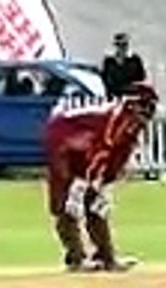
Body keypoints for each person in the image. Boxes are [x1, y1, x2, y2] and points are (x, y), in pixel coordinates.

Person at [43, 80, 158, 272]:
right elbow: (100, 151)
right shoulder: (116, 120)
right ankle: (76, 257)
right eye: (145, 106)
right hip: (63, 141)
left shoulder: (128, 123)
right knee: (68, 202)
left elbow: (115, 157)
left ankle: (106, 256)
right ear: (133, 104)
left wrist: (102, 185)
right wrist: (89, 183)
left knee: (98, 205)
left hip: (84, 151)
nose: (148, 112)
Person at [101, 32, 146, 100]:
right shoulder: (109, 62)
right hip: (114, 97)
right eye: (119, 45)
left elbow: (141, 78)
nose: (121, 48)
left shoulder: (135, 60)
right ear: (115, 46)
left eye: (124, 45)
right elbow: (105, 80)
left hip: (132, 97)